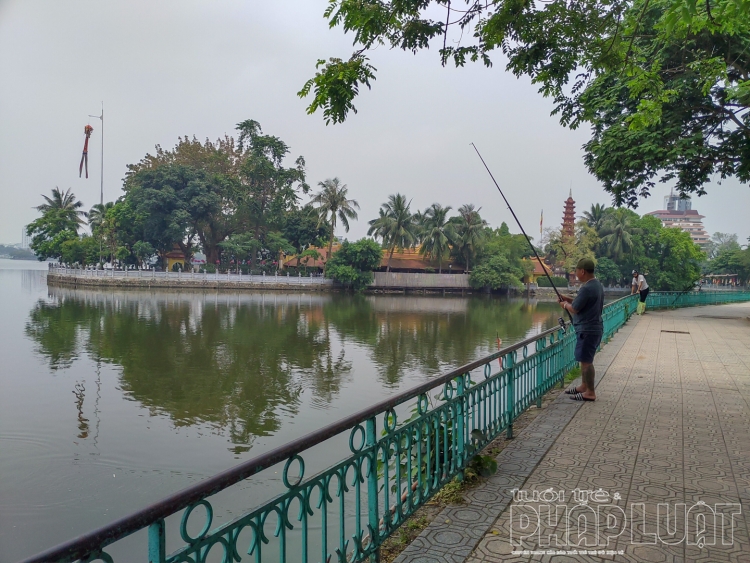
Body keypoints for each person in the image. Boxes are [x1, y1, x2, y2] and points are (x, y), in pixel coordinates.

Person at [558, 257, 604, 402]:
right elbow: (582, 303)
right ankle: (584, 386)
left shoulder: (586, 288)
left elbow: (576, 309)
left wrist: (565, 305)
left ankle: (590, 392)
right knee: (585, 359)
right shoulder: (596, 285)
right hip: (595, 327)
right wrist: (567, 299)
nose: (575, 273)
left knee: (586, 361)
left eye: (576, 270)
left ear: (582, 271)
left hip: (587, 330)